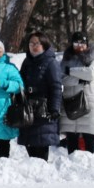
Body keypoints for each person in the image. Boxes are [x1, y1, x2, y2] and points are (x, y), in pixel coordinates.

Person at [17, 32, 62, 160]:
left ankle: (43, 173)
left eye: (37, 43)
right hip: (28, 109)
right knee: (29, 143)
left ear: (44, 45)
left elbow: (56, 87)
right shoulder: (27, 62)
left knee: (41, 143)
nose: (34, 46)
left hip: (43, 108)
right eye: (31, 43)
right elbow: (21, 82)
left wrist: (54, 108)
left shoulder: (51, 62)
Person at [60, 32, 94, 153]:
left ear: (87, 44)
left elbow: (90, 74)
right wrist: (80, 78)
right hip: (70, 102)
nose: (79, 46)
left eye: (82, 43)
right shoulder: (66, 58)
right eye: (76, 43)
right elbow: (62, 79)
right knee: (71, 140)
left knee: (89, 138)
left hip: (89, 102)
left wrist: (70, 71)